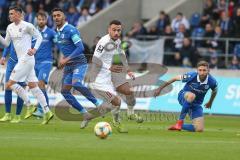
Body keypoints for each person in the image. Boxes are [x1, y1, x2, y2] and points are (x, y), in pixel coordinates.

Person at [0, 6, 53, 125]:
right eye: (9, 13)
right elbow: (6, 43)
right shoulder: (9, 27)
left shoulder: (27, 25)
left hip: (27, 59)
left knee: (10, 84)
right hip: (22, 60)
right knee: (34, 86)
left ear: (19, 14)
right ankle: (47, 111)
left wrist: (34, 49)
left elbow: (39, 36)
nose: (10, 15)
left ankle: (29, 105)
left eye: (12, 13)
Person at [51, 8, 101, 127]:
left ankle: (98, 104)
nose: (56, 17)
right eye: (54, 16)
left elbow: (80, 48)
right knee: (65, 91)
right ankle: (85, 114)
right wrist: (61, 61)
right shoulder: (57, 32)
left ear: (64, 16)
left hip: (79, 62)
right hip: (68, 66)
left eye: (58, 15)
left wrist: (67, 59)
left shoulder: (71, 30)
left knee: (77, 83)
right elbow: (64, 49)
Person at [88, 20, 138, 132]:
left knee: (128, 90)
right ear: (109, 30)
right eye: (114, 30)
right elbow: (95, 59)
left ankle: (130, 114)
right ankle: (116, 122)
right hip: (99, 79)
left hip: (110, 75)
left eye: (118, 30)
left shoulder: (118, 41)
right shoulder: (103, 42)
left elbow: (122, 54)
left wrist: (128, 70)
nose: (116, 32)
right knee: (117, 102)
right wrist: (109, 67)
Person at [154, 61, 218, 132]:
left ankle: (179, 126)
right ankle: (180, 122)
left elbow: (214, 91)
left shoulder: (212, 81)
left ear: (208, 71)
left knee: (199, 129)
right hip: (183, 96)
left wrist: (210, 102)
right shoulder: (191, 76)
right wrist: (160, 88)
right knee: (191, 95)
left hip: (196, 104)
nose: (202, 72)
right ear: (197, 70)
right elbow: (174, 78)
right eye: (200, 70)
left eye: (204, 70)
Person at [32, 12, 57, 117]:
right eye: (39, 19)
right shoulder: (33, 33)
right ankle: (42, 109)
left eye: (43, 19)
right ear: (37, 20)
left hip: (46, 62)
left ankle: (42, 110)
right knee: (37, 86)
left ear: (46, 20)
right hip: (35, 63)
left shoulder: (51, 32)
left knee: (41, 83)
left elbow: (59, 44)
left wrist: (62, 56)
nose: (41, 21)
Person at [0, 42, 25, 123]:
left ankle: (18, 116)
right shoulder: (12, 30)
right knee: (8, 87)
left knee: (20, 90)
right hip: (11, 62)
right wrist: (3, 56)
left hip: (22, 63)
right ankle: (8, 114)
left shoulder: (28, 31)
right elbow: (7, 45)